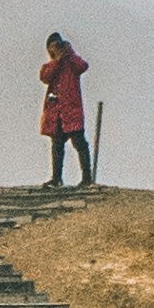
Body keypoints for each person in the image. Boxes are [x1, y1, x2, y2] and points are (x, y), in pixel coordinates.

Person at [37, 32, 94, 190]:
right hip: (56, 113)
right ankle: (56, 178)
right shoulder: (50, 66)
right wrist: (57, 60)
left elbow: (83, 66)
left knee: (80, 143)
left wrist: (70, 53)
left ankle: (87, 178)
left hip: (71, 111)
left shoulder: (72, 63)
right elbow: (44, 77)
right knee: (57, 146)